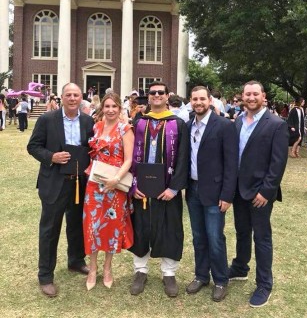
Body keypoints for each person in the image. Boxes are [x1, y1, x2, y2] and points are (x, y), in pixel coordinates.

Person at [27, 83, 94, 298]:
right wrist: (51, 157)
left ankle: (76, 261)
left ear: (81, 97)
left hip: (79, 183)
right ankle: (45, 276)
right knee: (50, 229)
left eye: (76, 95)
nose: (72, 98)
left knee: (76, 225)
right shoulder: (48, 119)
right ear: (62, 97)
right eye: (68, 95)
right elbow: (33, 146)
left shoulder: (88, 120)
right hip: (54, 182)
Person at [228, 80, 289, 308]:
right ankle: (240, 267)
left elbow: (278, 162)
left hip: (260, 193)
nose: (251, 98)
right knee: (242, 231)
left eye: (255, 94)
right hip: (239, 190)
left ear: (263, 96)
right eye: (247, 94)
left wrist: (267, 191)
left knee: (261, 238)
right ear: (242, 97)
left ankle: (264, 284)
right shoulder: (237, 122)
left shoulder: (276, 124)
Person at [129, 81, 189, 298]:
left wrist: (174, 188)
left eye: (160, 93)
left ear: (167, 96)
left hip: (168, 189)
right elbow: (129, 156)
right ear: (149, 96)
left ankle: (169, 273)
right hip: (141, 189)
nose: (156, 95)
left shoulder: (178, 123)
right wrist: (132, 185)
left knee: (170, 227)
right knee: (141, 226)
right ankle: (140, 271)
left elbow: (184, 157)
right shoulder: (139, 122)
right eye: (152, 93)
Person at [185, 86, 238, 302]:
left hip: (216, 192)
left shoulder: (224, 126)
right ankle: (201, 275)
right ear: (191, 101)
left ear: (210, 101)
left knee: (215, 237)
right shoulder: (188, 126)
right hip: (193, 190)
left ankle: (220, 280)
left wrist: (227, 195)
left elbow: (231, 163)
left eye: (202, 99)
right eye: (195, 99)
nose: (198, 102)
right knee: (199, 237)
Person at [83, 92, 135, 290]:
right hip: (94, 184)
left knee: (112, 227)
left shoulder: (125, 129)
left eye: (114, 106)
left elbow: (129, 159)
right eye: (107, 106)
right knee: (93, 226)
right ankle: (92, 268)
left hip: (115, 185)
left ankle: (107, 269)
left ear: (119, 109)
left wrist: (116, 179)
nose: (111, 110)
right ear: (102, 108)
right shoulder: (96, 127)